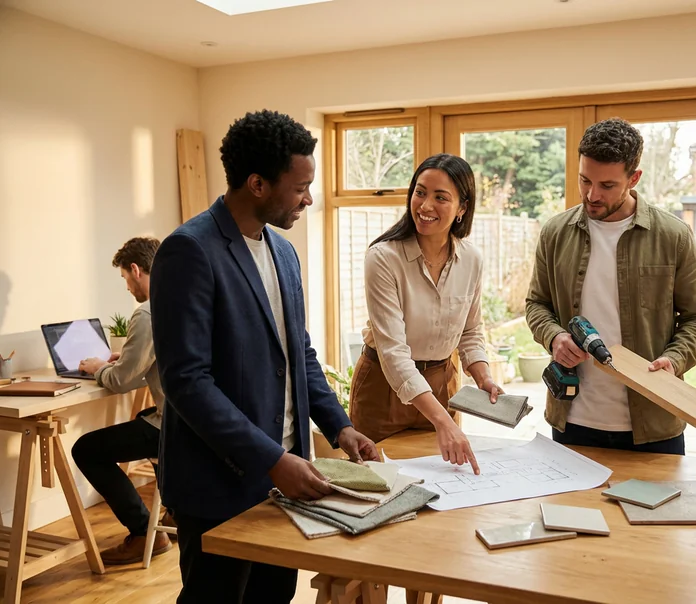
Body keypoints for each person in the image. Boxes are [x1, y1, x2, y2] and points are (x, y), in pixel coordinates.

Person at [150, 109, 378, 604]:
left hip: (286, 476)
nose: (309, 199)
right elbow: (187, 381)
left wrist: (338, 426)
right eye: (300, 188)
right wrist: (271, 458)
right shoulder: (188, 251)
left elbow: (299, 353)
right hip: (220, 482)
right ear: (256, 184)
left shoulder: (283, 250)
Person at [526, 117, 696, 455]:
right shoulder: (555, 233)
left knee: (657, 511)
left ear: (634, 178)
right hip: (572, 421)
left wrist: (674, 360)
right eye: (585, 180)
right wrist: (554, 337)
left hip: (654, 424)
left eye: (607, 185)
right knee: (573, 510)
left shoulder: (672, 236)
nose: (592, 194)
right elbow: (536, 304)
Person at [350, 154, 501, 475]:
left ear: (462, 208)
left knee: (446, 485)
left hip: (443, 384)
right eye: (420, 192)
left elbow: (471, 331)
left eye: (440, 197)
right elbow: (393, 353)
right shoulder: (383, 258)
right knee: (380, 484)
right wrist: (444, 421)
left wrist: (483, 376)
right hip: (383, 389)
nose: (425, 205)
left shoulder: (471, 259)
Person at [72, 236, 173, 565]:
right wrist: (129, 356)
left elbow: (120, 381)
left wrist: (99, 367)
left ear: (135, 270)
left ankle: (146, 531)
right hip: (197, 421)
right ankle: (175, 512)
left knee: (85, 449)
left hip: (174, 427)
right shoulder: (182, 298)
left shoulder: (146, 312)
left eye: (125, 280)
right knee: (143, 417)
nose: (128, 288)